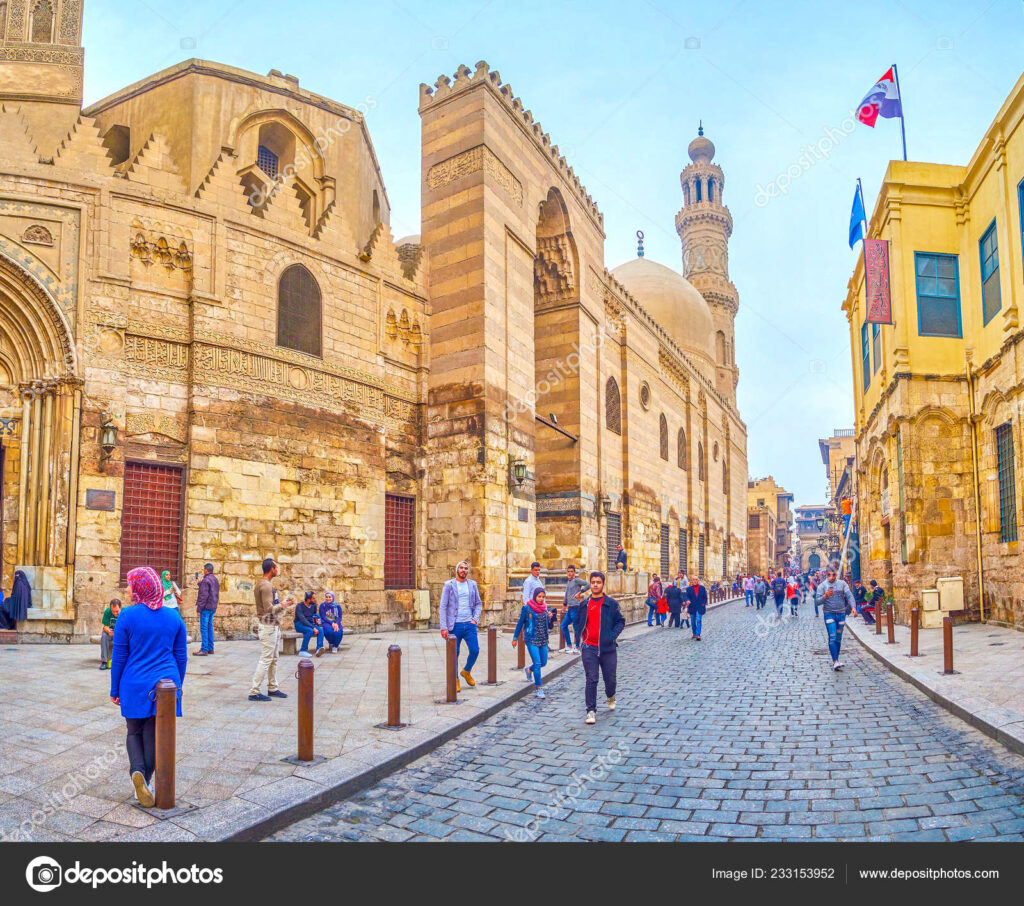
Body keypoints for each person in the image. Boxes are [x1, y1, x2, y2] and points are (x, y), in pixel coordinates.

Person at [110, 566, 187, 808]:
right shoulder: (174, 617)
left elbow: (119, 656)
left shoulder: (127, 616)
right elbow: (181, 656)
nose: (128, 587)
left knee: (134, 732)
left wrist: (115, 689)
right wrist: (177, 686)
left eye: (131, 583)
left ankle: (138, 772)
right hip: (165, 684)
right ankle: (146, 781)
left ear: (141, 588)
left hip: (133, 682)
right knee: (155, 734)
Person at [574, 571, 625, 725]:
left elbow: (620, 621)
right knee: (592, 678)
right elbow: (577, 623)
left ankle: (611, 695)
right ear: (590, 584)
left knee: (610, 679)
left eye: (598, 582)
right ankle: (590, 711)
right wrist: (579, 638)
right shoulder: (584, 604)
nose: (595, 584)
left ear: (603, 584)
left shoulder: (611, 603)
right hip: (589, 647)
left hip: (607, 648)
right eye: (593, 582)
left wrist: (612, 636)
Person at [249, 557, 294, 702]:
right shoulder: (266, 586)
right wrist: (283, 605)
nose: (278, 569)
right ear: (271, 569)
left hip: (272, 627)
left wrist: (282, 604)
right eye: (276, 567)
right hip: (268, 627)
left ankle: (272, 687)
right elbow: (269, 609)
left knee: (274, 659)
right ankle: (254, 691)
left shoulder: (263, 584)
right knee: (266, 659)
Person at [438, 560, 483, 691]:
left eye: (466, 568)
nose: (464, 570)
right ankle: (455, 679)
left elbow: (478, 603)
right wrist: (443, 627)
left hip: (469, 625)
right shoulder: (449, 585)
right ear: (457, 570)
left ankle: (466, 671)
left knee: (475, 650)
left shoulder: (472, 584)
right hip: (454, 626)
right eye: (461, 568)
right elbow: (443, 607)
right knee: (454, 654)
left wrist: (475, 619)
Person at [512, 587, 555, 698]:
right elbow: (520, 623)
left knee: (543, 662)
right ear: (535, 596)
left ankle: (528, 669)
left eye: (543, 597)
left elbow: (549, 625)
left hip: (543, 638)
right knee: (537, 663)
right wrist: (515, 638)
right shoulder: (527, 608)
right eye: (539, 596)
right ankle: (539, 688)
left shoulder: (545, 608)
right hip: (531, 638)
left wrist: (550, 617)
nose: (541, 599)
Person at [815, 563, 856, 671]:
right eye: (829, 575)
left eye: (833, 575)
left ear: (836, 574)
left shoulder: (842, 584)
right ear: (826, 575)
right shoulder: (822, 586)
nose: (831, 577)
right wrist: (825, 596)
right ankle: (835, 661)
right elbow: (817, 601)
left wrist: (853, 608)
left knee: (838, 638)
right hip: (829, 614)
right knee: (832, 636)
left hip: (841, 614)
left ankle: (836, 659)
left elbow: (849, 596)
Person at [561, 564, 588, 653]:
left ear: (574, 572)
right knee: (563, 625)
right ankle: (569, 645)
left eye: (571, 571)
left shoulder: (576, 580)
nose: (570, 573)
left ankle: (577, 647)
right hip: (570, 608)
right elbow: (566, 593)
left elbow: (588, 584)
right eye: (568, 571)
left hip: (576, 608)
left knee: (576, 628)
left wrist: (581, 592)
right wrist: (564, 604)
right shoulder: (568, 582)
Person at [193, 563, 218, 656]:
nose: (203, 571)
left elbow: (203, 596)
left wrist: (199, 609)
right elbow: (210, 591)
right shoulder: (214, 579)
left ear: (206, 570)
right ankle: (210, 648)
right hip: (213, 607)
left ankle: (204, 649)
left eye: (204, 569)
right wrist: (200, 583)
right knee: (209, 627)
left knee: (204, 628)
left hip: (206, 608)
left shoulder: (206, 580)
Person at [294, 591, 326, 657]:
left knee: (320, 630)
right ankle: (303, 650)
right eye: (313, 598)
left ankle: (319, 649)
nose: (315, 600)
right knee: (309, 630)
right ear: (308, 599)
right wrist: (313, 627)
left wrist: (317, 624)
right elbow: (302, 620)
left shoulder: (313, 605)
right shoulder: (299, 606)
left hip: (309, 623)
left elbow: (313, 616)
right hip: (299, 624)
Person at [99, 598, 122, 670]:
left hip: (121, 634)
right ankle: (104, 662)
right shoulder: (107, 612)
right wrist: (108, 631)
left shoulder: (125, 612)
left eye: (117, 611)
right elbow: (105, 626)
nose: (115, 613)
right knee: (104, 636)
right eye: (113, 611)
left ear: (120, 607)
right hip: (110, 633)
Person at [685, 575, 708, 640]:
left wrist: (703, 604)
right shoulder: (689, 589)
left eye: (696, 579)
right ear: (691, 581)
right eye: (693, 579)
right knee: (692, 621)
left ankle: (698, 634)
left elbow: (705, 597)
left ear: (698, 581)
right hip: (692, 607)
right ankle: (694, 633)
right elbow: (686, 596)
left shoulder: (702, 588)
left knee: (698, 620)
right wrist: (687, 600)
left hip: (700, 607)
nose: (695, 581)